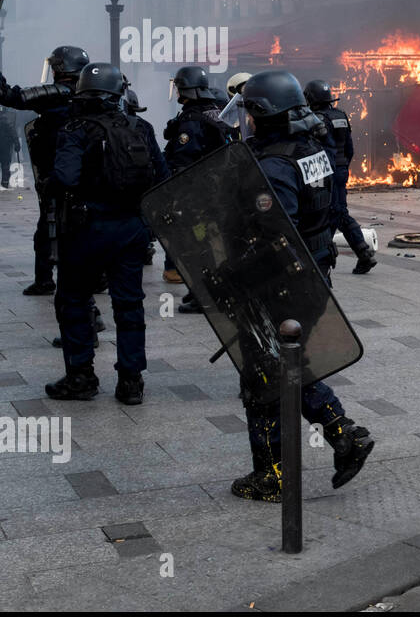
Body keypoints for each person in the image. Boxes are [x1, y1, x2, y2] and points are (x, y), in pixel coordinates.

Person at [233, 71, 375, 500]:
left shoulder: (274, 164)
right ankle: (344, 434)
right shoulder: (312, 150)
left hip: (280, 283)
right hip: (314, 273)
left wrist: (241, 271)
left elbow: (278, 235)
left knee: (263, 379)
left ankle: (272, 476)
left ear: (263, 113)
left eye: (252, 113)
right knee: (288, 368)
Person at [45, 64, 168, 403]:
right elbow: (162, 175)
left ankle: (81, 377)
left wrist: (48, 183)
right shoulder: (141, 127)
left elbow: (65, 179)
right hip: (131, 229)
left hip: (86, 230)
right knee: (129, 306)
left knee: (74, 301)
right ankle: (131, 382)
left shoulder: (74, 129)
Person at [0, 45, 87, 295]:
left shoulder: (54, 95)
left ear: (59, 68)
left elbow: (2, 94)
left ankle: (45, 279)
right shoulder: (99, 97)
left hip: (56, 173)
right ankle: (97, 278)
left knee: (49, 226)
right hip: (90, 176)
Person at [162, 66, 237, 292]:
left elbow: (185, 159)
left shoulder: (192, 118)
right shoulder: (214, 109)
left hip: (197, 190)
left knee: (194, 234)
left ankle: (203, 284)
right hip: (217, 184)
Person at [304, 79, 376, 274]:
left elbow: (315, 150)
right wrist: (342, 167)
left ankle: (322, 258)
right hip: (341, 169)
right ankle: (363, 253)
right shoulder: (340, 115)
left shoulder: (315, 119)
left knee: (328, 214)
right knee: (339, 211)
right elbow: (349, 149)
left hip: (326, 173)